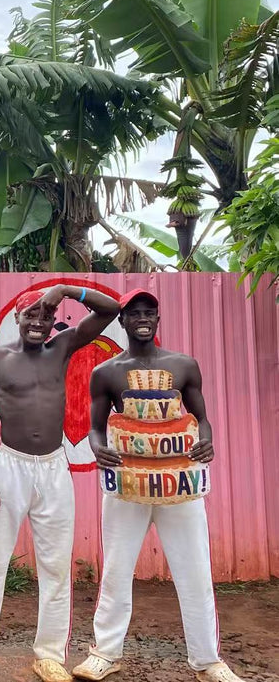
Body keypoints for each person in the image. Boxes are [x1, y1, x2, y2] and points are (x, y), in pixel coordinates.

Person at [72, 289, 242, 682]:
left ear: (158, 319)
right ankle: (105, 653)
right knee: (116, 569)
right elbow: (96, 429)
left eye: (150, 312)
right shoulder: (107, 372)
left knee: (195, 568)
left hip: (179, 481)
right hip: (127, 483)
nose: (143, 319)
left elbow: (202, 418)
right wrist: (99, 450)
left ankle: (207, 660)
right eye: (135, 313)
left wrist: (206, 440)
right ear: (124, 322)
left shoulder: (183, 365)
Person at [0, 284, 120, 682]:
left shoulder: (62, 348)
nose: (37, 322)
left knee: (56, 565)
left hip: (55, 469)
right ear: (17, 319)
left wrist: (67, 289)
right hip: (9, 466)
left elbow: (111, 309)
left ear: (53, 320)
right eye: (30, 315)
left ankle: (50, 654)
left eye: (44, 316)